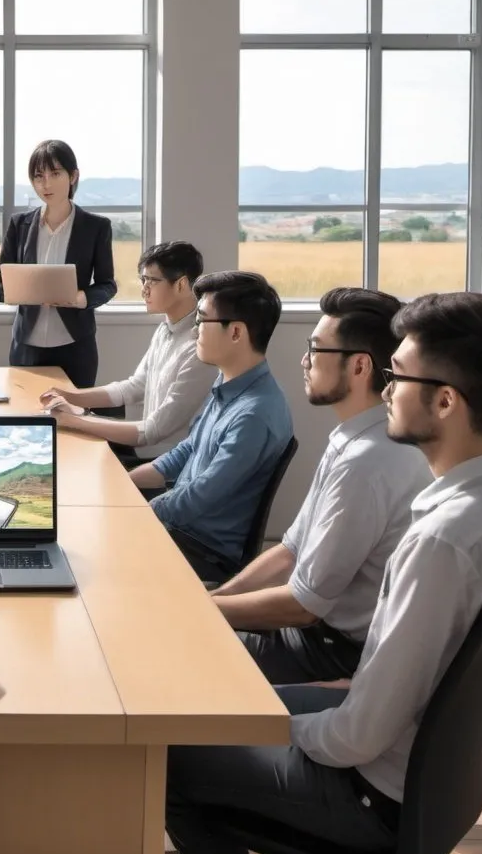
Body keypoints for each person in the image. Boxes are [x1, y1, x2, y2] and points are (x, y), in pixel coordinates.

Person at [165, 291, 482, 854]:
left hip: (368, 792)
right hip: (407, 762)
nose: (388, 389)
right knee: (209, 708)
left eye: (400, 376)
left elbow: (355, 738)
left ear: (444, 401)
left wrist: (278, 724)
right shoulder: (467, 511)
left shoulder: (440, 539)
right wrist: (346, 695)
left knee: (160, 748)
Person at [211, 287, 432, 684]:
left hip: (330, 652)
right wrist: (215, 600)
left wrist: (200, 613)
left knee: (177, 648)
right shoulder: (351, 439)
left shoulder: (366, 461)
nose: (304, 361)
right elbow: (289, 551)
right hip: (309, 631)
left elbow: (303, 606)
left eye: (316, 350)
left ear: (360, 367)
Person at [131, 271, 293, 584]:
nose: (194, 332)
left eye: (201, 321)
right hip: (182, 527)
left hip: (201, 551)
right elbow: (187, 450)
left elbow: (202, 496)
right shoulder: (229, 381)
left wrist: (137, 512)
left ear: (235, 333)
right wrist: (124, 484)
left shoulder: (255, 415)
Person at [39, 241, 214, 468]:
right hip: (144, 450)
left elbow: (152, 432)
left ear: (181, 284)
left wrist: (75, 420)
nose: (144, 290)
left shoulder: (200, 346)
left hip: (166, 465)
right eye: (143, 280)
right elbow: (134, 387)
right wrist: (71, 395)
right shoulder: (166, 328)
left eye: (152, 281)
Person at [0, 140, 117, 388]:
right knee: (27, 420)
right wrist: (18, 291)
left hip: (75, 347)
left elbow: (107, 285)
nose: (45, 184)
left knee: (73, 421)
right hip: (27, 347)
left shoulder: (96, 227)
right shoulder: (20, 225)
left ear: (73, 176)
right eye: (38, 176)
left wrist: (81, 298)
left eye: (55, 174)